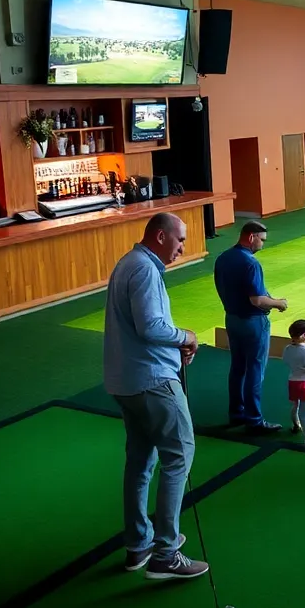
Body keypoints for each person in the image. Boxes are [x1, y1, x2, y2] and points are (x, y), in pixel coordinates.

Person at [104, 213, 207, 580]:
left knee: (141, 461)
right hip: (152, 381)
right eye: (179, 240)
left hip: (126, 381)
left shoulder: (129, 263)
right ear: (160, 236)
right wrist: (185, 337)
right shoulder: (145, 269)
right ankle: (166, 552)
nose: (182, 247)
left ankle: (138, 545)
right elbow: (151, 326)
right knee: (179, 456)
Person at [214, 220, 288, 434]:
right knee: (255, 370)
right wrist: (278, 303)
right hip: (253, 322)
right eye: (261, 240)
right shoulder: (251, 263)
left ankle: (236, 413)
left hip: (232, 319)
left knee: (237, 368)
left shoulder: (223, 258)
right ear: (251, 237)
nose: (262, 245)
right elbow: (257, 300)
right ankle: (254, 420)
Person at [282, 319, 305, 448]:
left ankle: (295, 425)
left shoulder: (287, 348)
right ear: (303, 335)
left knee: (295, 406)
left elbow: (286, 361)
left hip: (293, 381)